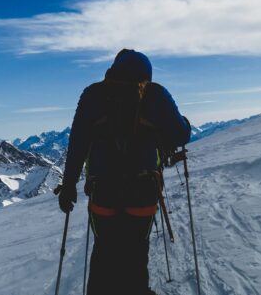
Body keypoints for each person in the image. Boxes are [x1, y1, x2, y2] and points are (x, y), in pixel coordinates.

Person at [57, 49, 191, 295]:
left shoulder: (92, 95)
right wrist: (184, 122)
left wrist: (68, 186)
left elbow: (77, 144)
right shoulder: (156, 94)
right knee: (136, 253)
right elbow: (180, 135)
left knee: (103, 251)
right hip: (143, 191)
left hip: (103, 191)